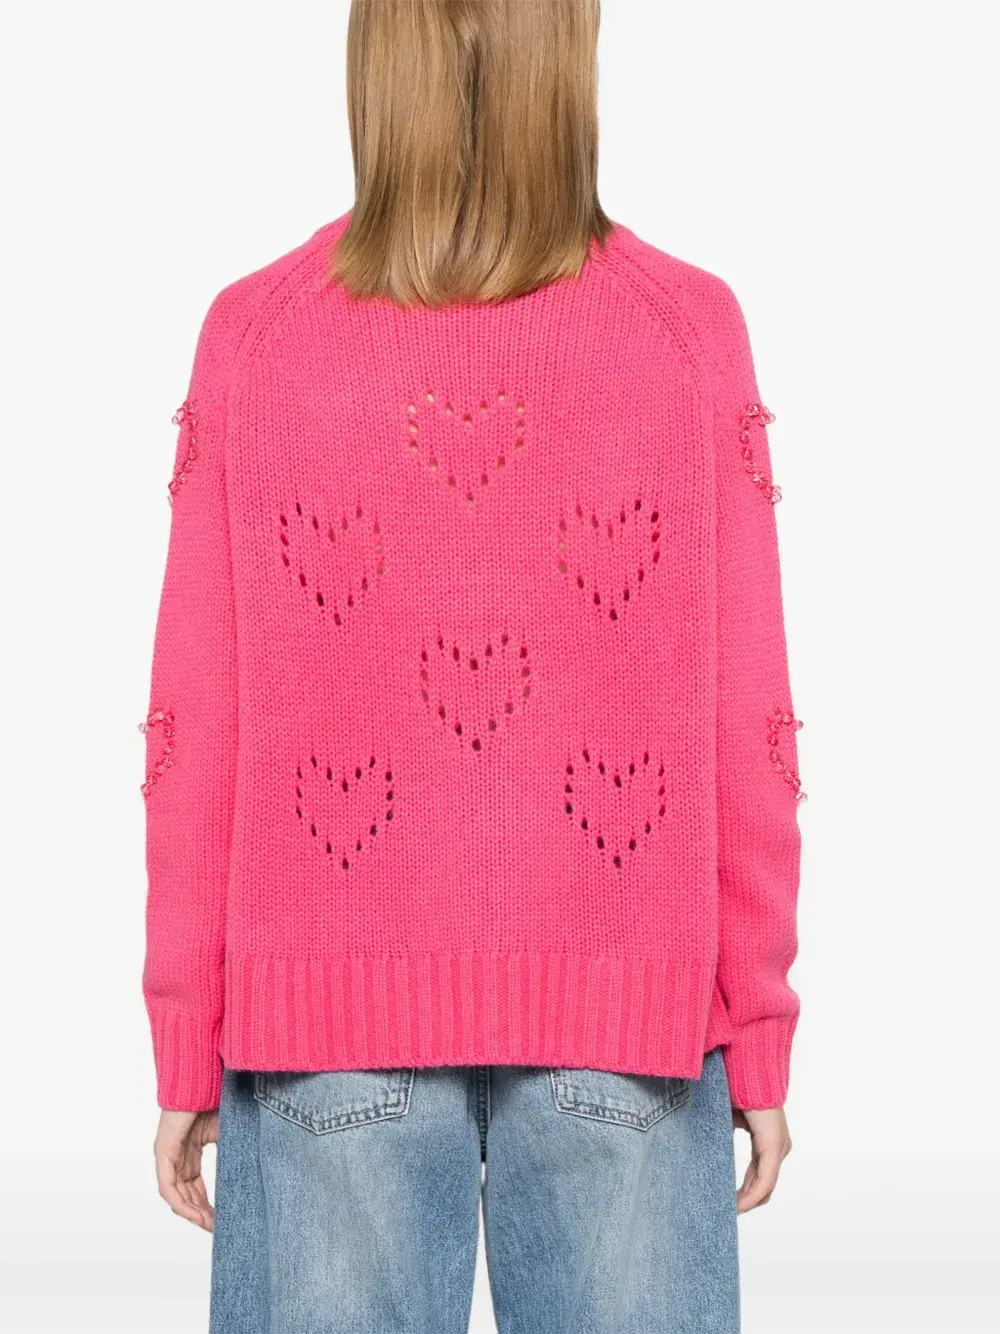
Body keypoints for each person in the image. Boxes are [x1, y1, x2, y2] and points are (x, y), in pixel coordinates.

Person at [143, 2, 803, 1329]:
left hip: (322, 1024)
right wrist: (759, 1017)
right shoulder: (687, 331)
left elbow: (194, 730)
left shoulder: (258, 335)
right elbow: (750, 721)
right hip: (630, 1020)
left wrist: (185, 1034)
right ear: (574, 55)